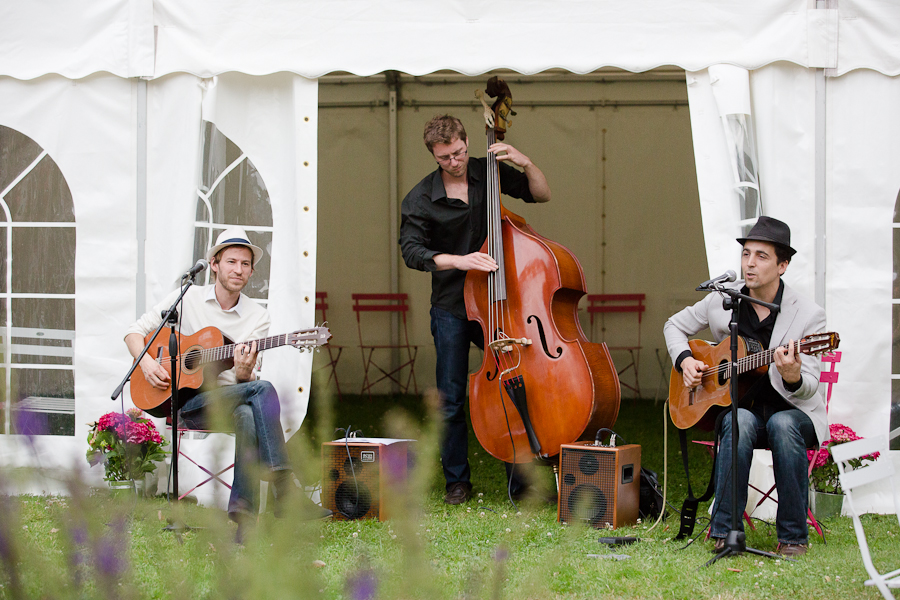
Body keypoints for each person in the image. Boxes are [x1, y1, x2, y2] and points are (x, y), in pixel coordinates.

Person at [125, 226, 331, 541]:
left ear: (251, 272)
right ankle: (284, 490)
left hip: (228, 399)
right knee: (262, 392)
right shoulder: (187, 297)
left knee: (249, 411)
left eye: (245, 264)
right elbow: (134, 332)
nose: (239, 270)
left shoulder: (257, 317)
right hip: (187, 402)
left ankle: (244, 522)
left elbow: (246, 383)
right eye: (232, 261)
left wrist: (244, 371)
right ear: (215, 265)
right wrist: (149, 363)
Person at [399, 114, 551, 505]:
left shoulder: (490, 174)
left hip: (497, 303)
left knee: (510, 383)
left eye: (460, 152)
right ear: (434, 155)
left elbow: (541, 194)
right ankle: (457, 482)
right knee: (450, 398)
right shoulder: (419, 197)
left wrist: (525, 162)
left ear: (468, 143)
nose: (455, 161)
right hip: (451, 306)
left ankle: (520, 481)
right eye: (446, 157)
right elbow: (412, 252)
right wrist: (460, 260)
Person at [663, 216, 827, 557]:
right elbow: (673, 325)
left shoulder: (808, 315)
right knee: (738, 421)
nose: (750, 263)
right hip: (743, 410)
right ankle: (724, 531)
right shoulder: (724, 300)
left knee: (782, 425)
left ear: (783, 265)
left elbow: (810, 387)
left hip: (793, 414)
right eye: (746, 254)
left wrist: (793, 375)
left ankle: (794, 536)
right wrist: (685, 361)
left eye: (762, 256)